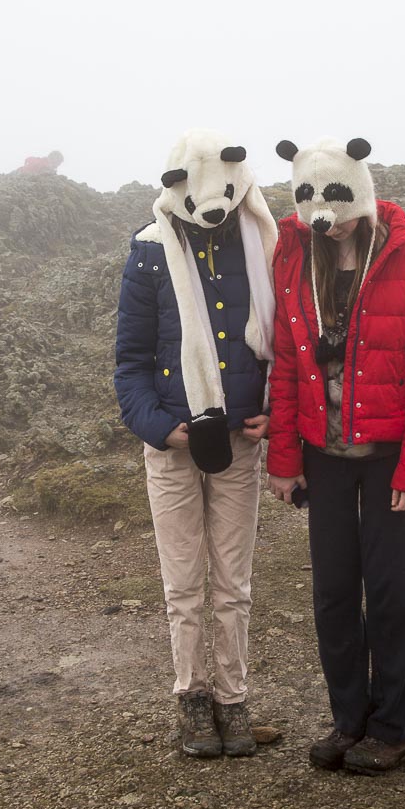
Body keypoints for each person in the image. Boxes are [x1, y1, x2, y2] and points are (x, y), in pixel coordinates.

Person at [267, 136, 405, 774]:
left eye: (339, 200)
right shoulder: (294, 258)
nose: (327, 216)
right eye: (312, 201)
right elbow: (289, 370)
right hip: (323, 452)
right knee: (333, 592)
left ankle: (395, 725)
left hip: (388, 455)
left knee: (393, 591)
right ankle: (349, 719)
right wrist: (284, 460)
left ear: (362, 193)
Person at [114, 130, 276, 758]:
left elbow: (279, 346)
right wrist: (161, 428)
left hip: (237, 442)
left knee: (233, 582)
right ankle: (192, 699)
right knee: (184, 584)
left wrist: (270, 409)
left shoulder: (261, 245)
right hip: (173, 446)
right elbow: (129, 362)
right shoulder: (150, 253)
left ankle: (234, 702)